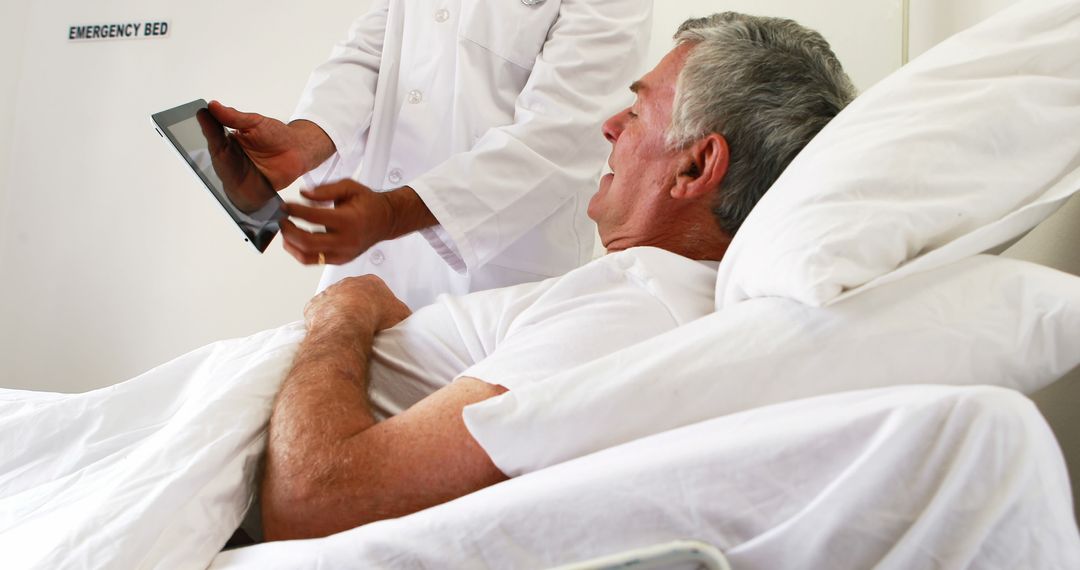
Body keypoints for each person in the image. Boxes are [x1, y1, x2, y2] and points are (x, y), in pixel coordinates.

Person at [259, 12, 857, 541]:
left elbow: (315, 500)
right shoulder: (640, 294)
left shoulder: (630, 313)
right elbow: (377, 45)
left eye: (638, 109)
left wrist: (343, 315)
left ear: (696, 165)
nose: (609, 126)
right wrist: (306, 139)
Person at [210, 0, 653, 309]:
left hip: (494, 285)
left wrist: (391, 215)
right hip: (369, 266)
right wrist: (304, 140)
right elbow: (372, 51)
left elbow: (561, 133)